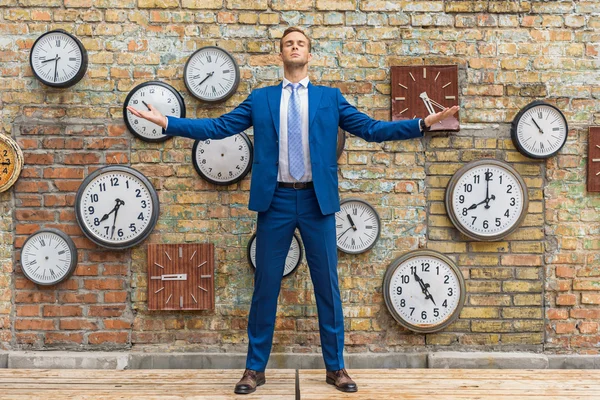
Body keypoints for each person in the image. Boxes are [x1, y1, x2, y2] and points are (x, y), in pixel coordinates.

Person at [128, 26, 459, 395]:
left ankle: (336, 368)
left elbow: (371, 129)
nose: (295, 47)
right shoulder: (262, 98)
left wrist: (421, 124)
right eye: (289, 44)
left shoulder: (329, 98)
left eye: (300, 43)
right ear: (281, 54)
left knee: (328, 289)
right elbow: (219, 126)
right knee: (265, 286)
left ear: (310, 53)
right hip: (277, 201)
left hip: (318, 202)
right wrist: (168, 123)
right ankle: (255, 369)